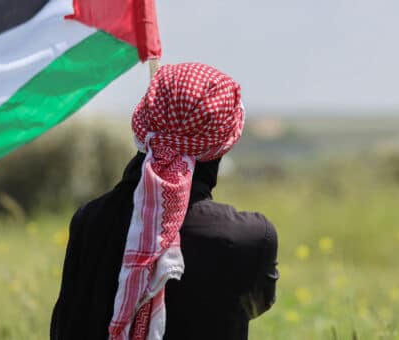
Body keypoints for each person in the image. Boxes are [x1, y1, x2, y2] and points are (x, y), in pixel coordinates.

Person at [50, 63, 279, 340]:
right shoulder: (250, 237)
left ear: (143, 125)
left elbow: (65, 326)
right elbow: (256, 304)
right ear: (224, 141)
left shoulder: (90, 219)